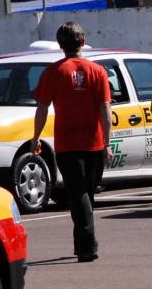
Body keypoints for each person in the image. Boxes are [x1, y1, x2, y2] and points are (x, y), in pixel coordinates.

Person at [31, 22, 112, 263]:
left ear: (60, 45)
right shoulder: (98, 71)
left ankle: (86, 245)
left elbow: (42, 108)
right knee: (85, 194)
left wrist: (36, 138)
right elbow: (105, 109)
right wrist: (108, 142)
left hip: (68, 144)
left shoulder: (53, 72)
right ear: (83, 42)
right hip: (94, 143)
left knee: (80, 195)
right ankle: (86, 245)